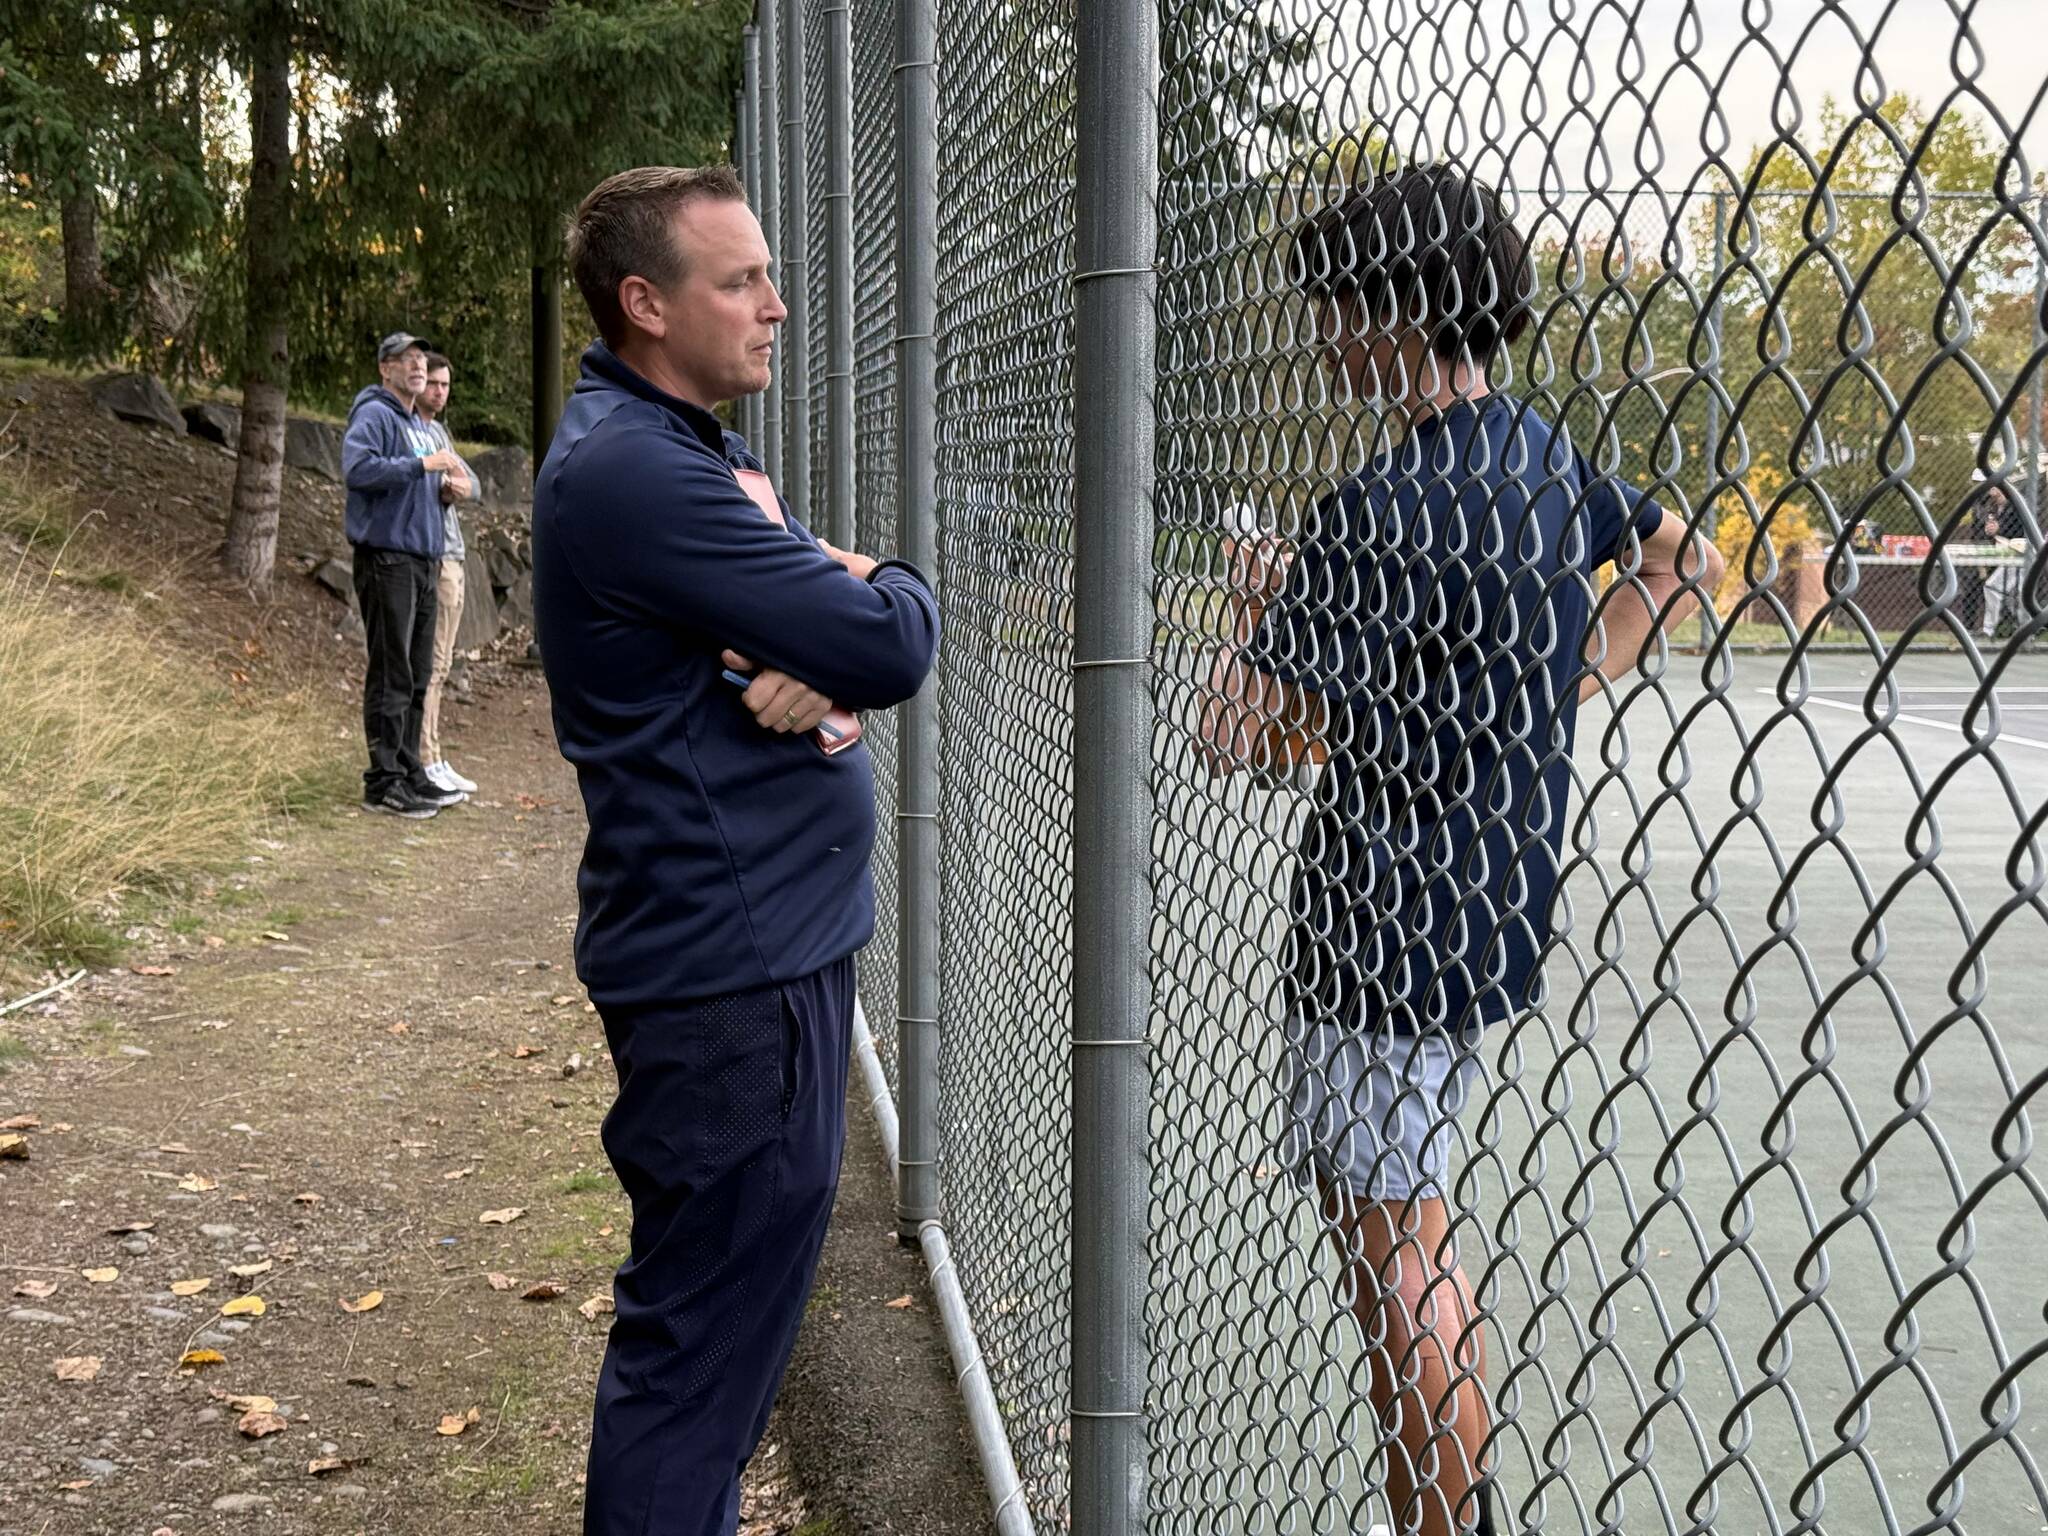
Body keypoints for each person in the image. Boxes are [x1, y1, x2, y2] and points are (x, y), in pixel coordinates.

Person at [1198, 164, 1724, 1536]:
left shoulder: (1368, 512)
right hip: (1489, 896)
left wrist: (1258, 605)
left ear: (1398, 311)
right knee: (1402, 1218)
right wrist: (1558, 683)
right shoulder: (1545, 458)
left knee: (1399, 1256)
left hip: (1379, 920)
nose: (1319, 340)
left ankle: (1445, 1520)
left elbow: (1240, 739)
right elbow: (1686, 563)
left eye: (1334, 310)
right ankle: (1436, 1505)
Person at [532, 165, 939, 1536]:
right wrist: (867, 586)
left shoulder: (673, 445)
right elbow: (892, 640)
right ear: (646, 304)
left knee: (715, 1355)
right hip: (730, 979)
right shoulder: (641, 469)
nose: (773, 307)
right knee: (695, 1362)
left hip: (753, 957)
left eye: (769, 275)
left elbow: (831, 648)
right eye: (739, 281)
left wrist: (819, 623)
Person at [343, 332, 471, 818]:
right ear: (385, 369)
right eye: (406, 360)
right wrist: (423, 466)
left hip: (425, 559)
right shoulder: (374, 414)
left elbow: (422, 479)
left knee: (418, 673)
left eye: (421, 359)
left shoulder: (416, 423)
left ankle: (410, 768)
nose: (417, 367)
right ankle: (382, 782)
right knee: (392, 672)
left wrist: (445, 491)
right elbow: (359, 470)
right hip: (387, 558)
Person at [413, 351, 479, 795]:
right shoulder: (411, 432)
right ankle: (424, 757)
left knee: (441, 663)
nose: (438, 392)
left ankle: (434, 755)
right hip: (429, 556)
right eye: (433, 383)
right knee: (429, 664)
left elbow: (470, 483)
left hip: (451, 554)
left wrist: (458, 485)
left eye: (445, 385)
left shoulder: (439, 432)